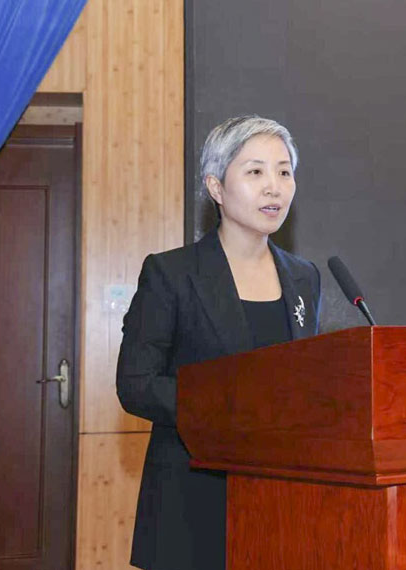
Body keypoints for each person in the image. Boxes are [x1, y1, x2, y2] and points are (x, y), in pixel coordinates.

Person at [116, 115, 321, 570]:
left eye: (284, 172)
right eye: (255, 171)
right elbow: (136, 383)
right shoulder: (172, 273)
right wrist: (227, 406)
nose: (274, 187)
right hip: (192, 494)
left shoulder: (304, 277)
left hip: (280, 497)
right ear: (216, 187)